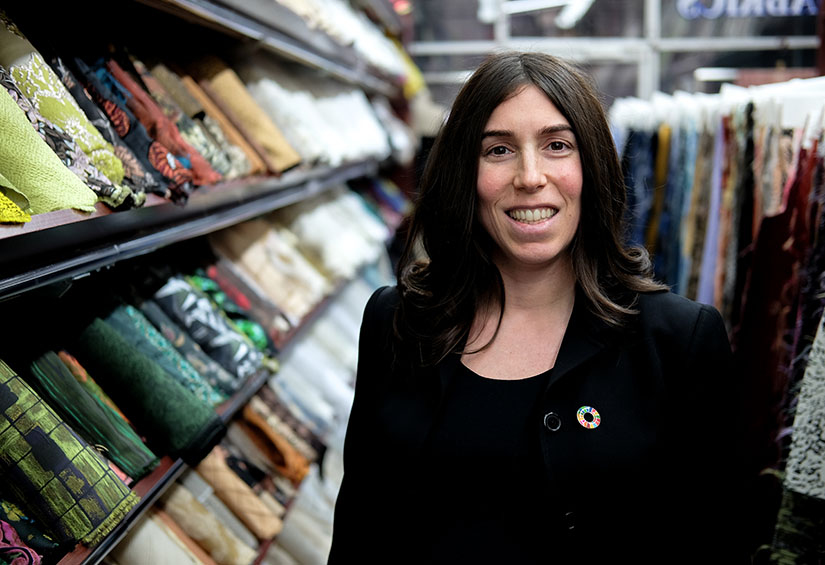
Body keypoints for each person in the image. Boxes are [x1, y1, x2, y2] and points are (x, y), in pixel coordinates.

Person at [328, 51, 750, 564]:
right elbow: (359, 531)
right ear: (466, 172)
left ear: (591, 165)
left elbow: (717, 544)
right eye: (499, 150)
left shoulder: (678, 340)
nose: (530, 176)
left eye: (556, 146)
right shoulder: (397, 322)